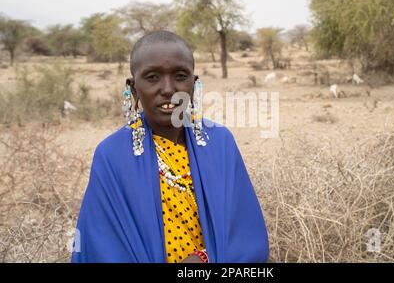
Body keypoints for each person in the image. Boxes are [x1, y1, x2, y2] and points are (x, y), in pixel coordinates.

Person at [71, 30, 269, 263]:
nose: (167, 89)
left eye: (180, 75)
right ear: (133, 88)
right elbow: (101, 247)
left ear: (194, 85)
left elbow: (247, 236)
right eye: (152, 77)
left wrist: (202, 260)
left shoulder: (220, 144)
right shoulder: (112, 155)